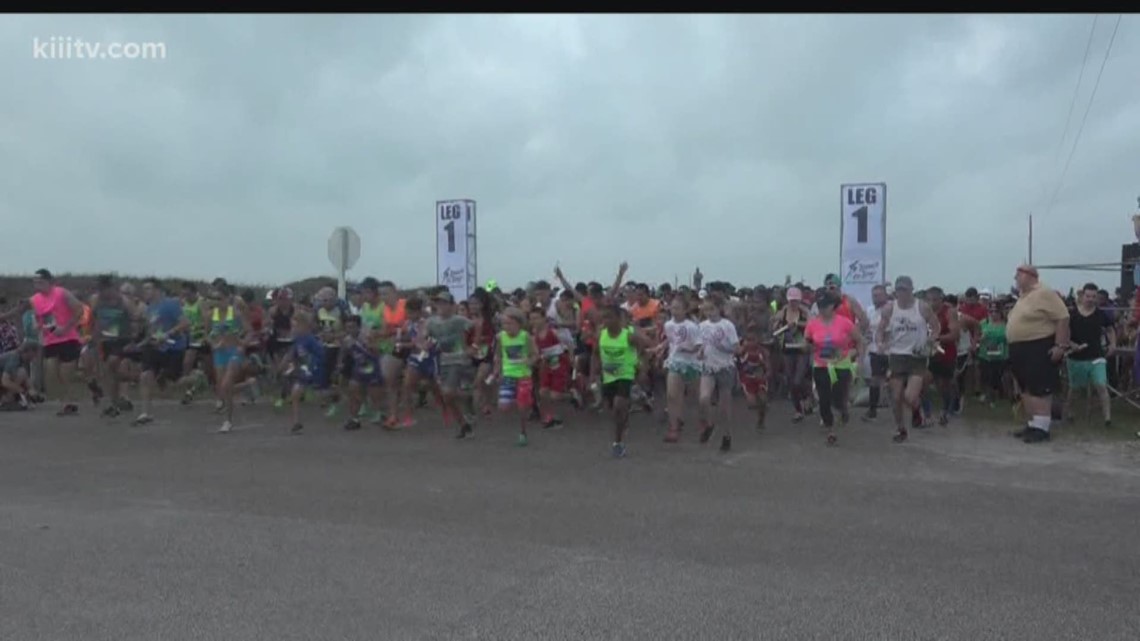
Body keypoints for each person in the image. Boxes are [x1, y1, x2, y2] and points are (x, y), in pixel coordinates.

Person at [1006, 265, 1071, 444]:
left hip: (1038, 345)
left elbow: (1063, 317)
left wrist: (1060, 345)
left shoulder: (1044, 292)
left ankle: (1042, 428)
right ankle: (1033, 423)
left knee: (1039, 387)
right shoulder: (1023, 297)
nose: (1015, 279)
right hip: (1020, 348)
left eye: (1018, 275)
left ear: (1030, 276)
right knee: (1026, 386)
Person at [876, 276, 941, 443]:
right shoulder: (890, 309)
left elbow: (936, 326)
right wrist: (880, 343)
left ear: (911, 290)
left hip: (917, 356)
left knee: (910, 397)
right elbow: (880, 329)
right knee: (896, 397)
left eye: (904, 290)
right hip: (897, 356)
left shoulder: (922, 307)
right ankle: (901, 429)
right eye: (899, 290)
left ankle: (917, 409)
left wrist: (932, 339)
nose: (901, 294)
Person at [592, 303, 653, 458]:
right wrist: (594, 373)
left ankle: (618, 443)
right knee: (613, 409)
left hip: (626, 374)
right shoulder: (601, 334)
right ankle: (633, 404)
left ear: (619, 319)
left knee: (619, 404)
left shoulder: (628, 335)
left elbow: (644, 350)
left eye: (609, 317)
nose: (605, 320)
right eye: (604, 317)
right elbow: (595, 354)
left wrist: (642, 369)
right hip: (609, 375)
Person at [805, 291, 865, 445]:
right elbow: (807, 343)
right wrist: (808, 347)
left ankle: (842, 411)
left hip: (841, 364)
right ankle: (831, 430)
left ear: (833, 306)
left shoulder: (845, 323)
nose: (822, 309)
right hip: (821, 364)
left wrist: (858, 358)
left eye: (825, 306)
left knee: (838, 398)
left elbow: (859, 341)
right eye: (819, 306)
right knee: (824, 399)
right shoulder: (812, 324)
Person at [27, 269, 85, 415]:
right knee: (51, 369)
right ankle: (66, 399)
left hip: (67, 336)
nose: (37, 284)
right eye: (35, 282)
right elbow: (37, 317)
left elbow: (79, 310)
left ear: (49, 281)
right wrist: (37, 325)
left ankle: (69, 402)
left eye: (40, 281)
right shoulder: (34, 299)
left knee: (65, 372)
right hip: (50, 339)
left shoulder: (61, 293)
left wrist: (65, 328)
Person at [132, 278, 189, 426]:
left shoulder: (170, 304)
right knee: (145, 375)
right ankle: (145, 412)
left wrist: (168, 334)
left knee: (172, 383)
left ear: (157, 290)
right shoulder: (150, 308)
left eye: (148, 289)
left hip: (174, 347)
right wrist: (142, 343)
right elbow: (152, 331)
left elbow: (184, 323)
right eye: (144, 289)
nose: (145, 292)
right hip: (156, 348)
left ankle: (197, 379)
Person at [426, 291, 477, 438]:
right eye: (438, 303)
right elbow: (423, 337)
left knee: (448, 393)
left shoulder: (459, 320)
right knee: (447, 395)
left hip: (460, 360)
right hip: (443, 362)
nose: (440, 306)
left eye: (444, 303)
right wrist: (425, 344)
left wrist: (473, 347)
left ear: (451, 305)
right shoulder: (431, 322)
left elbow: (477, 329)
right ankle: (464, 423)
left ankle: (467, 410)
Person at [1066, 283, 1115, 426]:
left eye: (1094, 296)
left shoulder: (1101, 314)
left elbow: (1110, 329)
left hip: (1096, 356)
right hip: (1076, 357)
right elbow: (1063, 334)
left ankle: (1108, 419)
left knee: (1101, 385)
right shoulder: (1072, 314)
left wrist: (1113, 344)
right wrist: (1072, 344)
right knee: (1075, 389)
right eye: (1088, 296)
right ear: (1082, 296)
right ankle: (1069, 412)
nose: (1091, 299)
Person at [697, 295, 740, 452]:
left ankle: (726, 435)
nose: (709, 312)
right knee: (704, 398)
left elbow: (737, 348)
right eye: (706, 309)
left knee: (724, 406)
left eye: (712, 309)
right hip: (708, 367)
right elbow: (701, 345)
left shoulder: (727, 325)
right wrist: (700, 352)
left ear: (719, 309)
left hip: (725, 367)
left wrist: (725, 347)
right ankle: (709, 424)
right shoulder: (702, 326)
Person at [491, 307, 539, 447]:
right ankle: (518, 401)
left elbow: (535, 354)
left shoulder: (525, 336)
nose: (507, 327)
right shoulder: (501, 337)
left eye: (510, 323)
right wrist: (496, 371)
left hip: (523, 375)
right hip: (508, 375)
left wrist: (529, 361)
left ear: (519, 323)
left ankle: (523, 432)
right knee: (503, 407)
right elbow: (498, 356)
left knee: (522, 407)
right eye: (504, 324)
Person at [659, 297, 701, 443]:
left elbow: (698, 345)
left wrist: (688, 349)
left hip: (692, 363)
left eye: (678, 308)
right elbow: (671, 341)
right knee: (672, 395)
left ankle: (704, 420)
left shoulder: (692, 326)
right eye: (672, 308)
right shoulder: (668, 325)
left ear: (685, 310)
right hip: (675, 362)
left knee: (697, 395)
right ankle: (673, 428)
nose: (674, 311)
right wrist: (660, 348)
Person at [772, 287, 811, 422]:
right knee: (790, 379)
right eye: (791, 301)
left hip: (802, 349)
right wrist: (779, 326)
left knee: (797, 379)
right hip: (787, 349)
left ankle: (806, 398)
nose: (793, 303)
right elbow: (774, 327)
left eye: (796, 301)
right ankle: (798, 409)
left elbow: (813, 325)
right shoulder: (782, 312)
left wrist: (798, 324)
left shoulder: (804, 312)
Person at [862, 284, 890, 422]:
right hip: (875, 349)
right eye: (874, 295)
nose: (876, 298)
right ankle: (872, 409)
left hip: (892, 350)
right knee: (875, 379)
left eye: (879, 295)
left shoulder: (892, 309)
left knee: (895, 380)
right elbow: (864, 327)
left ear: (885, 295)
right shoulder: (869, 310)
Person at [976, 302, 1009, 406]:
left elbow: (1009, 339)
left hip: (1001, 355)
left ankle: (998, 395)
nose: (993, 314)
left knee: (997, 376)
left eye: (996, 311)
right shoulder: (983, 323)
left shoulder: (1006, 324)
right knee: (986, 376)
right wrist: (981, 339)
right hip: (985, 354)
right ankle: (987, 396)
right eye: (991, 311)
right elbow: (976, 337)